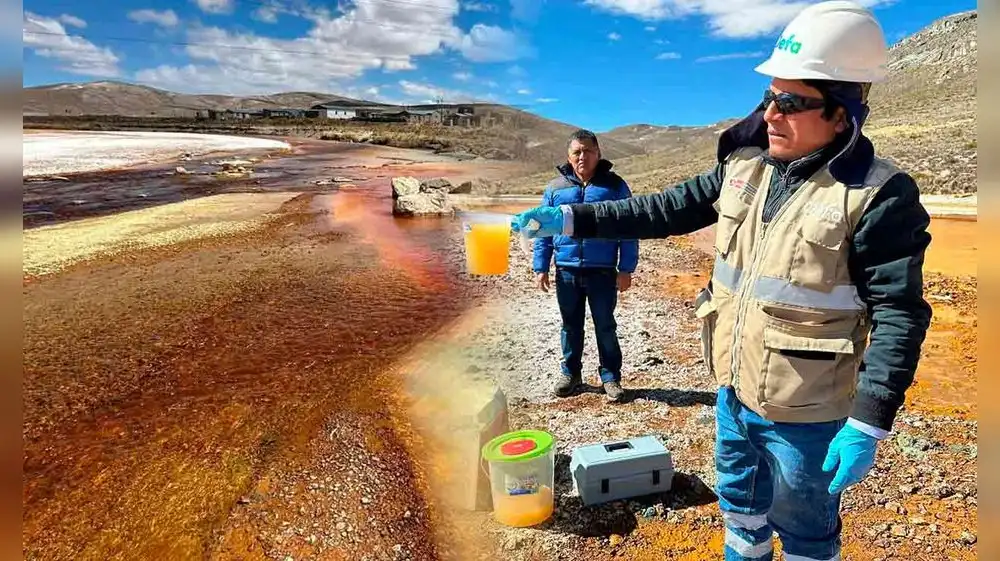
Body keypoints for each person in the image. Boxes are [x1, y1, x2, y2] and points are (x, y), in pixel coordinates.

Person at [513, 2, 932, 559]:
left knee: (807, 533)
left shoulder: (879, 196)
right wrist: (569, 218)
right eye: (768, 98)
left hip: (807, 411)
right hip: (733, 393)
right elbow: (664, 209)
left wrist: (871, 419)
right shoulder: (745, 167)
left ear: (842, 115)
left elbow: (900, 311)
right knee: (741, 510)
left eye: (791, 102)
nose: (771, 114)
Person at [532, 129, 639, 403]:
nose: (583, 156)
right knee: (570, 325)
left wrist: (626, 268)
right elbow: (542, 229)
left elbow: (628, 227)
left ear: (598, 153)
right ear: (569, 156)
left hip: (602, 270)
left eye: (588, 151)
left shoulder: (615, 187)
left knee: (605, 325)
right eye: (577, 152)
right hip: (566, 269)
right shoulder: (555, 188)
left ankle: (611, 377)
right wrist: (540, 267)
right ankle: (571, 374)